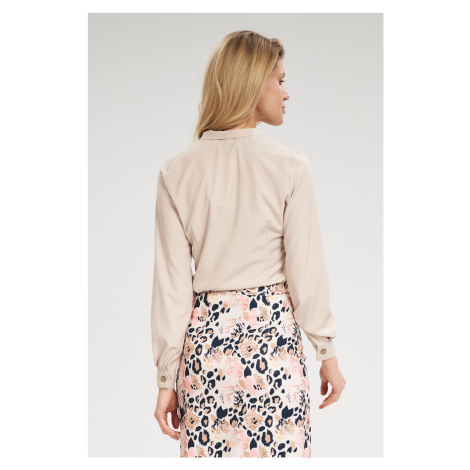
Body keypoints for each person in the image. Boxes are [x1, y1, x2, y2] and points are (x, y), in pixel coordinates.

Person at [150, 30, 346, 458]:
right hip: (272, 349)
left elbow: (171, 288)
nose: (286, 92)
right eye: (280, 80)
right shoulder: (291, 167)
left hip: (206, 353)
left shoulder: (175, 172)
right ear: (254, 83)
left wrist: (166, 378)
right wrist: (326, 352)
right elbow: (307, 274)